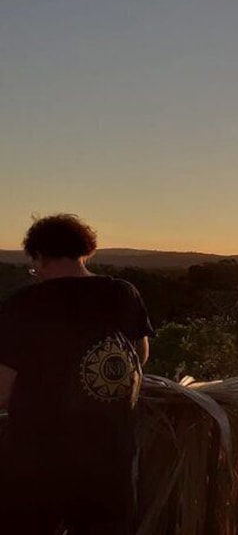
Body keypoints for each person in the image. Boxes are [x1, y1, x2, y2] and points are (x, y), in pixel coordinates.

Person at [0, 214, 154, 534]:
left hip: (37, 460)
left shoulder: (23, 304)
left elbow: (3, 388)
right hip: (110, 457)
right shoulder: (123, 294)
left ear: (40, 258)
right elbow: (139, 356)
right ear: (86, 252)